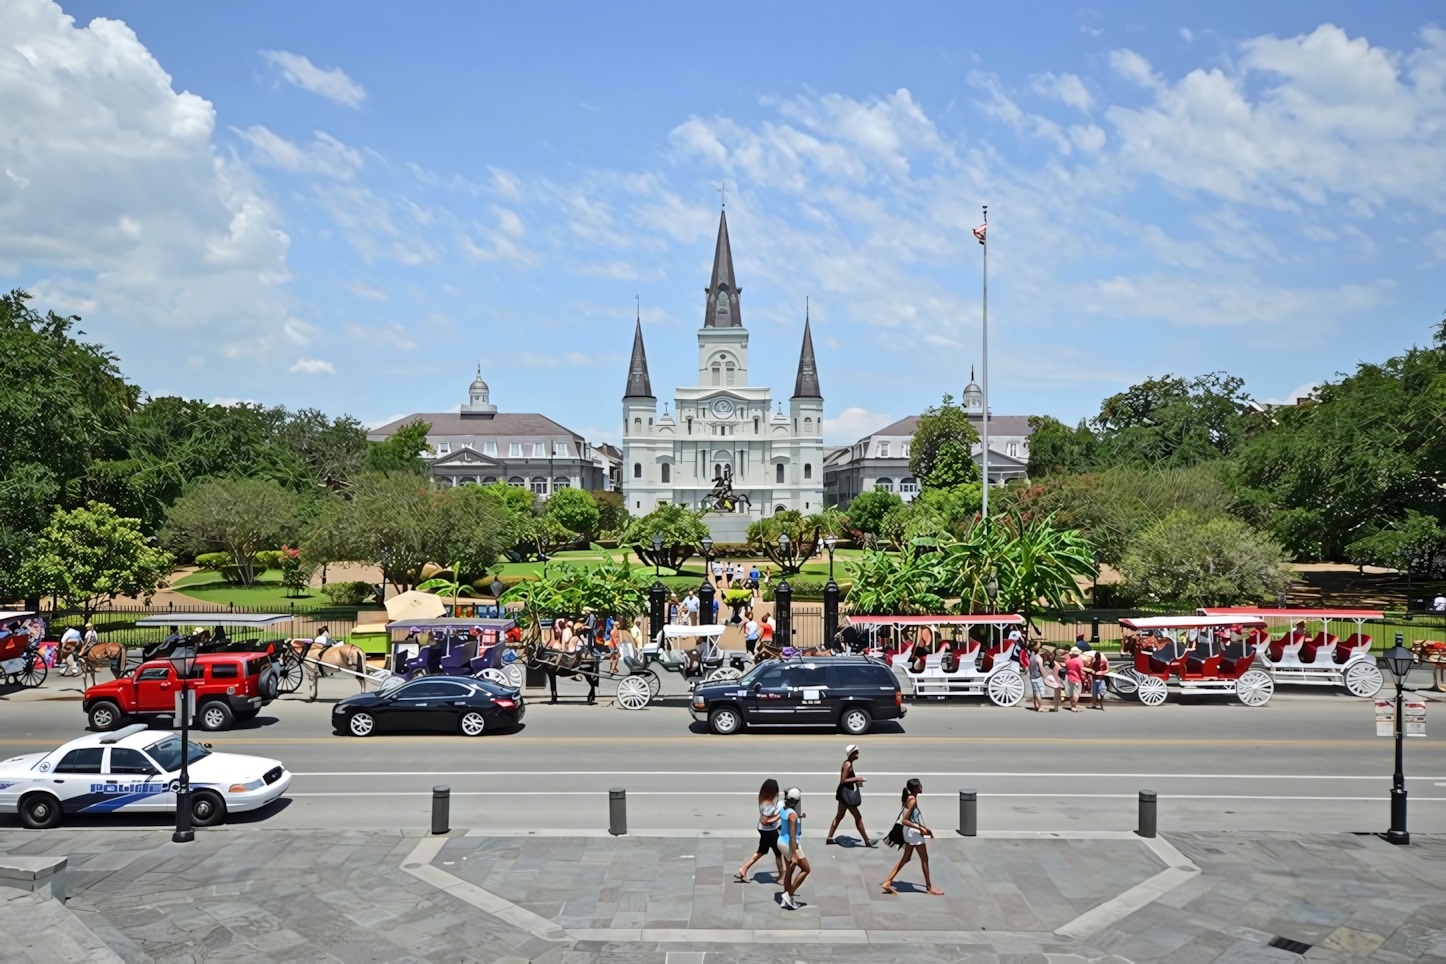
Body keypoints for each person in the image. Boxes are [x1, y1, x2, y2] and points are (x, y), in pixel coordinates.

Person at [881, 778, 943, 895]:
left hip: (909, 831)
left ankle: (887, 882)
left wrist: (923, 828)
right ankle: (929, 887)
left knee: (906, 857)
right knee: (924, 859)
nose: (921, 787)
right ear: (915, 788)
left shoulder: (910, 798)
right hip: (913, 832)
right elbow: (905, 820)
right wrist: (920, 828)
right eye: (919, 786)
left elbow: (911, 819)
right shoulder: (912, 800)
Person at [736, 779, 784, 884]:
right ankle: (781, 877)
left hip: (765, 830)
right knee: (778, 853)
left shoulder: (764, 799)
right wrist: (780, 814)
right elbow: (765, 821)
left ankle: (744, 868)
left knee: (761, 851)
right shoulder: (768, 804)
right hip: (769, 831)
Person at [826, 745, 875, 846]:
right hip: (846, 795)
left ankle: (829, 838)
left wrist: (856, 779)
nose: (857, 754)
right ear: (852, 754)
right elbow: (843, 780)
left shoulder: (849, 763)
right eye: (856, 752)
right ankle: (867, 841)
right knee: (858, 817)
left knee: (839, 816)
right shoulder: (847, 765)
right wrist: (857, 779)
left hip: (844, 794)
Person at [779, 788, 810, 909]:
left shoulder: (783, 809)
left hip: (781, 842)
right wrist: (794, 854)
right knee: (806, 869)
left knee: (789, 870)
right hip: (790, 845)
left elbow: (789, 817)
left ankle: (785, 899)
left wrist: (799, 816)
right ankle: (788, 894)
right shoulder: (792, 815)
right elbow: (793, 835)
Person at [1064, 646, 1085, 713]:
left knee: (1071, 692)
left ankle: (1072, 705)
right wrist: (1084, 678)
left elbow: (1066, 668)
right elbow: (1082, 670)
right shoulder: (1079, 660)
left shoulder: (1068, 661)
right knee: (1076, 693)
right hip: (1077, 678)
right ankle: (1074, 706)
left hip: (1069, 677)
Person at [1027, 641, 1046, 712]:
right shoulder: (1039, 658)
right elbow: (1041, 669)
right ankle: (1041, 706)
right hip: (1038, 676)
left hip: (1032, 675)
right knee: (1039, 691)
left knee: (1035, 691)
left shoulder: (1031, 656)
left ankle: (1036, 705)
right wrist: (1046, 676)